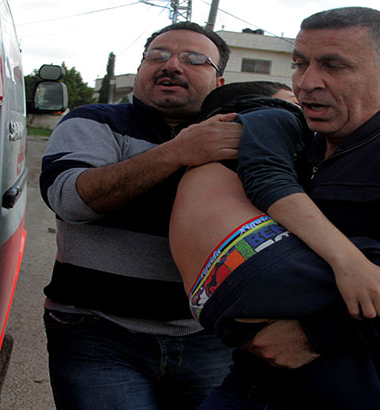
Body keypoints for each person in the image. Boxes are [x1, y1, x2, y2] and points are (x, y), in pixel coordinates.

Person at [191, 7, 380, 409]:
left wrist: (315, 334)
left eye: (334, 66)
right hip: (262, 383)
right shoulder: (305, 147)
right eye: (300, 64)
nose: (307, 83)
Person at [170, 81, 380, 409]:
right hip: (255, 259)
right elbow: (269, 177)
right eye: (296, 101)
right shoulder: (270, 116)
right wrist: (354, 260)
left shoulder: (195, 169)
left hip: (212, 300)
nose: (307, 109)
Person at [38, 22, 239, 410]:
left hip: (208, 336)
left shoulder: (238, 134)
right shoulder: (95, 121)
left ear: (219, 82)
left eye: (194, 59)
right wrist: (178, 152)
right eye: (158, 56)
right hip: (97, 333)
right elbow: (70, 200)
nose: (172, 66)